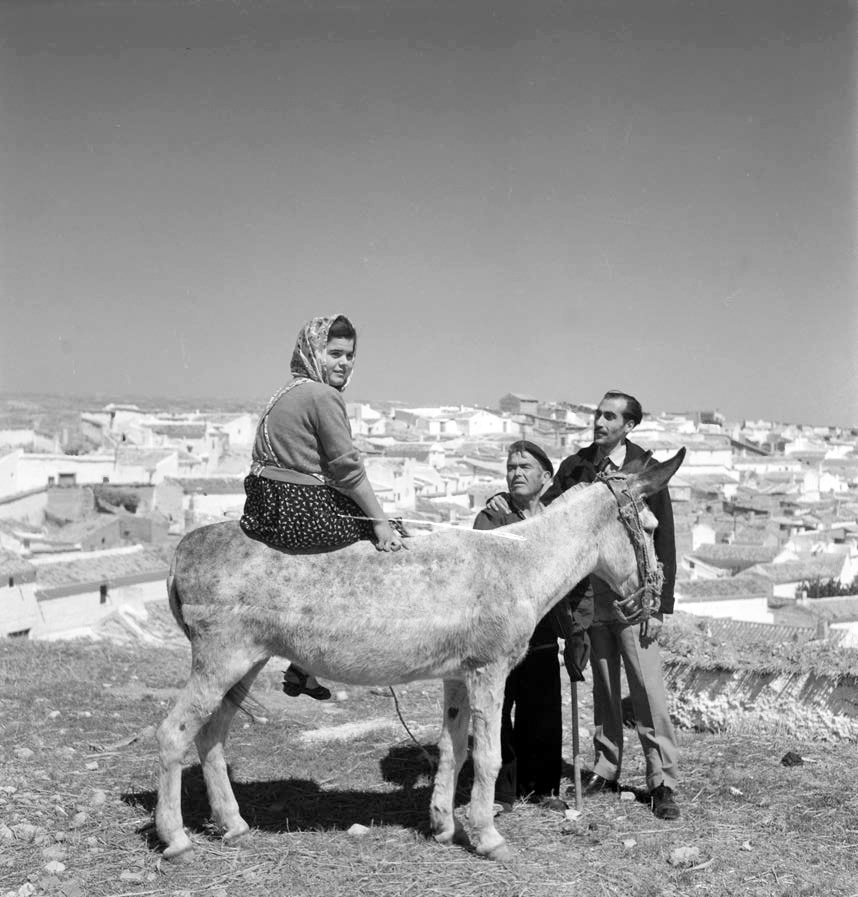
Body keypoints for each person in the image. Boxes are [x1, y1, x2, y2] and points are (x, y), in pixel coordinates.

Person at [240, 314, 404, 700]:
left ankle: (303, 670)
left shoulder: (290, 390)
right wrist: (380, 524)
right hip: (299, 508)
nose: (344, 363)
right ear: (313, 352)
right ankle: (321, 662)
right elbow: (348, 472)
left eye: (349, 356)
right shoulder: (323, 396)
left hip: (266, 505)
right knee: (382, 542)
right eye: (334, 354)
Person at [542, 390, 680, 820]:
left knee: (647, 692)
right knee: (603, 686)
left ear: (629, 425)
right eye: (597, 415)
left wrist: (660, 607)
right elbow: (548, 517)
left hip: (636, 596)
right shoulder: (575, 468)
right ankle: (606, 766)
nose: (599, 423)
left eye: (609, 417)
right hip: (589, 597)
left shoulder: (646, 470)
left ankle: (663, 781)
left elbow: (666, 540)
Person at [474, 441, 591, 812]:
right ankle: (502, 790)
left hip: (541, 632)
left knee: (541, 711)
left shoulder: (560, 520)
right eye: (511, 467)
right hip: (499, 632)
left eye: (525, 467)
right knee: (496, 710)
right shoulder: (492, 516)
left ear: (546, 476)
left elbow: (580, 578)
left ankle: (541, 789)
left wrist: (578, 630)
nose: (516, 473)